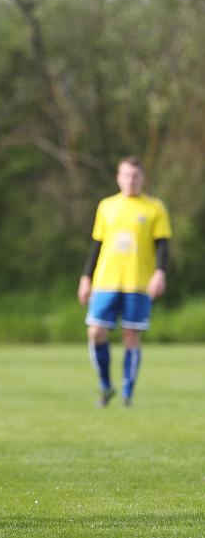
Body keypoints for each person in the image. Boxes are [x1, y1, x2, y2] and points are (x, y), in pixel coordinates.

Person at [77, 156, 171, 408]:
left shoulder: (154, 208)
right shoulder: (106, 206)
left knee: (131, 335)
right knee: (95, 332)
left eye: (136, 175)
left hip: (137, 283)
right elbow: (96, 244)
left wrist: (160, 272)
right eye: (126, 175)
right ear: (119, 177)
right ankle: (106, 386)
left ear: (143, 178)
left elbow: (162, 244)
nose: (131, 180)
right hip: (105, 281)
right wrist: (86, 277)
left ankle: (128, 393)